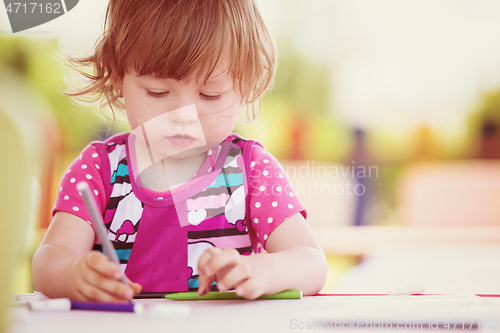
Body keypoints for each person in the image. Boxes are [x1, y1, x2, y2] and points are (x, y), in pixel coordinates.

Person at [32, 0, 327, 303]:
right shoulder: (99, 169)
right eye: (157, 92)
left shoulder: (251, 170)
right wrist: (72, 275)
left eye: (210, 95)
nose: (184, 115)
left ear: (245, 87)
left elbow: (312, 262)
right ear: (118, 74)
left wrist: (263, 270)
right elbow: (49, 260)